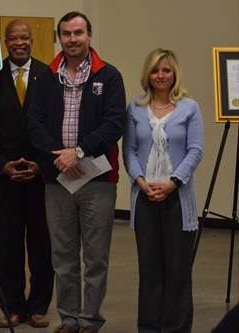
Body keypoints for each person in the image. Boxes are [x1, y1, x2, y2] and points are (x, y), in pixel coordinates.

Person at [28, 11, 126, 333]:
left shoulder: (109, 76)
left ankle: (90, 321)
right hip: (57, 179)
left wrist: (79, 152)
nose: (73, 39)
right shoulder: (45, 77)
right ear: (60, 38)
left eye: (78, 33)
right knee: (63, 257)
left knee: (95, 258)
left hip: (97, 179)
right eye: (67, 34)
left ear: (89, 35)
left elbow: (114, 124)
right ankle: (69, 319)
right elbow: (34, 123)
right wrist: (59, 156)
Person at [0, 19, 54, 329]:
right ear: (5, 42)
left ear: (32, 41)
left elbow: (53, 125)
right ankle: (12, 308)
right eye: (13, 39)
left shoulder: (47, 75)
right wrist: (2, 164)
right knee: (7, 245)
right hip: (5, 176)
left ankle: (38, 307)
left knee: (41, 244)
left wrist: (40, 163)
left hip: (40, 176)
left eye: (24, 38)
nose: (19, 43)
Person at [123, 48, 203, 333]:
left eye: (166, 70)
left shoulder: (189, 107)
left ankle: (176, 328)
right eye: (156, 70)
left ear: (174, 74)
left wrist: (172, 183)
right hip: (145, 197)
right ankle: (149, 327)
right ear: (148, 74)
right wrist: (141, 182)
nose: (160, 75)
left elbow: (195, 151)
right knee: (150, 270)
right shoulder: (135, 108)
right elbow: (130, 151)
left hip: (178, 200)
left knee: (178, 270)